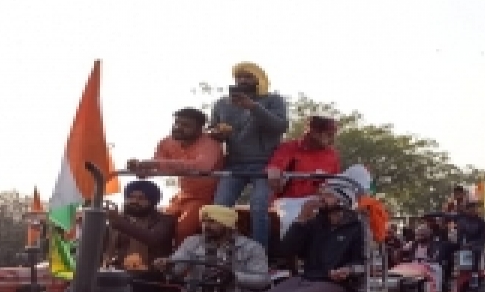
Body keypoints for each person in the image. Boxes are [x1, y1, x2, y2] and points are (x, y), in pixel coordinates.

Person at [210, 62, 289, 251]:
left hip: (265, 164)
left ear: (259, 78)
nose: (243, 80)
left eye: (248, 77)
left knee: (259, 207)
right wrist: (217, 133)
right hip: (234, 164)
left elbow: (280, 126)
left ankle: (259, 254)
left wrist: (254, 107)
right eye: (239, 77)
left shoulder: (273, 100)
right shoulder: (222, 104)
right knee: (219, 208)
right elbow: (212, 129)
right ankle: (217, 253)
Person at [128, 108, 225, 243]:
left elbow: (202, 166)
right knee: (158, 224)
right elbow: (158, 167)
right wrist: (141, 170)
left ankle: (180, 263)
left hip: (205, 197)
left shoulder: (210, 144)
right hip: (182, 196)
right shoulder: (166, 142)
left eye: (186, 125)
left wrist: (154, 164)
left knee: (183, 229)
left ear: (199, 129)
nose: (178, 128)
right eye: (177, 123)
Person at [268, 115, 342, 238]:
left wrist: (327, 194)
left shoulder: (332, 155)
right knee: (291, 222)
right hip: (289, 200)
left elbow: (335, 183)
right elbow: (274, 172)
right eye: (329, 135)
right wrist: (275, 174)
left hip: (319, 200)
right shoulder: (289, 148)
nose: (332, 139)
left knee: (341, 219)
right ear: (314, 133)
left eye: (334, 135)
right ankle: (290, 254)